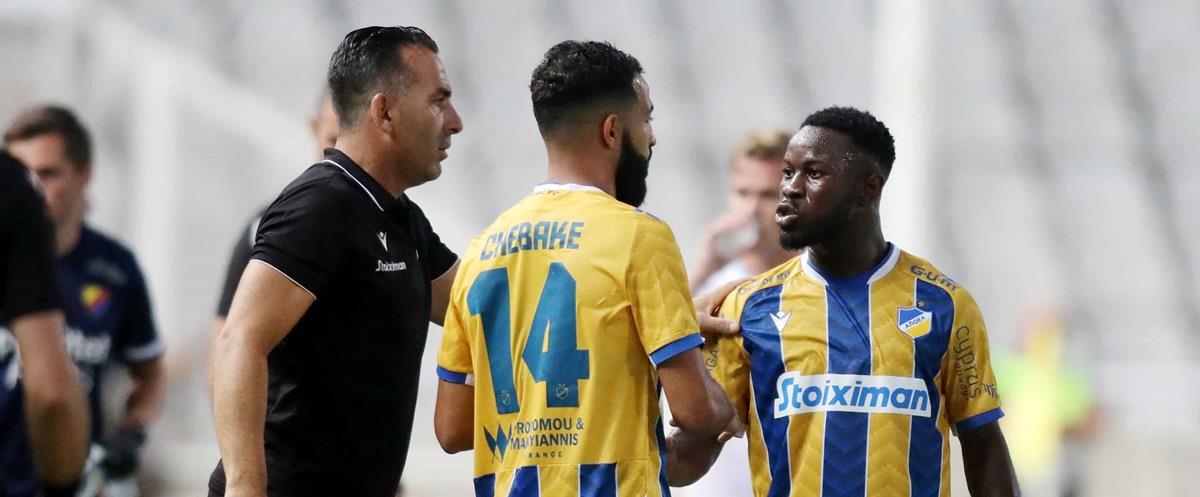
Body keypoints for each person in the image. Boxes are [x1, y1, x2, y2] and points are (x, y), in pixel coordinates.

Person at [433, 40, 740, 497]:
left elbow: (453, 429)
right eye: (647, 118)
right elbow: (695, 411)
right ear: (612, 131)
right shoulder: (638, 235)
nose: (652, 138)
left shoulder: (481, 250)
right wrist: (726, 403)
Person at [674, 106, 1020, 496]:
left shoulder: (944, 304)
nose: (791, 188)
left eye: (813, 173)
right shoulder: (747, 306)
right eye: (787, 173)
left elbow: (983, 445)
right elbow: (691, 454)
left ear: (867, 188)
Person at [209, 25, 463, 497]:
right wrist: (245, 487)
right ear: (384, 112)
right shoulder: (322, 205)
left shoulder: (398, 214)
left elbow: (472, 304)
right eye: (438, 101)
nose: (454, 122)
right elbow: (238, 341)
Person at [5, 106, 167, 496]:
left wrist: (133, 431)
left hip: (73, 482)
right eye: (21, 175)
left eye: (48, 173)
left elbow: (150, 371)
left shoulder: (116, 269)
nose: (32, 187)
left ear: (85, 173)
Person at [0, 149, 90, 497]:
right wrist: (63, 488)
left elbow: (148, 365)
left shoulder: (117, 266)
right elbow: (53, 393)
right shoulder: (11, 185)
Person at [212, 93, 338, 333]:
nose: (342, 158)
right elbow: (224, 340)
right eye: (333, 141)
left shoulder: (399, 227)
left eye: (351, 144)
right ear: (315, 128)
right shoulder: (267, 228)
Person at [689, 129, 795, 295]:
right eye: (742, 193)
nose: (751, 210)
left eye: (768, 195)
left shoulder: (823, 278)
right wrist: (700, 274)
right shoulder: (711, 285)